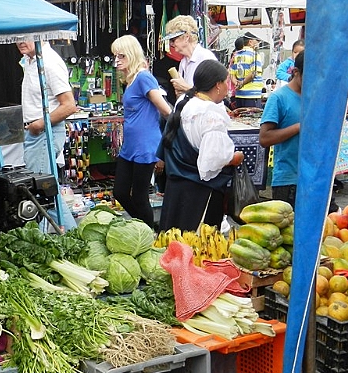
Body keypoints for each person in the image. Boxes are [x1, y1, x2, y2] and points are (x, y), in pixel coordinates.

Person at [158, 60, 244, 232]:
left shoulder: (185, 101)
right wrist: (235, 158)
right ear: (218, 85)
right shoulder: (211, 112)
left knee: (175, 240)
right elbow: (211, 162)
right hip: (200, 194)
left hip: (176, 189)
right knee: (198, 246)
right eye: (226, 82)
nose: (228, 87)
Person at [259, 51, 338, 212]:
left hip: (317, 177)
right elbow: (264, 138)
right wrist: (298, 127)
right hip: (288, 181)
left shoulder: (317, 99)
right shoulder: (279, 98)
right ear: (296, 72)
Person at [16, 39, 78, 231]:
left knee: (43, 193)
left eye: (24, 36)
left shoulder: (49, 62)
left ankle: (72, 239)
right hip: (37, 133)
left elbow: (69, 105)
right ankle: (74, 240)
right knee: (46, 192)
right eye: (16, 38)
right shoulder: (31, 60)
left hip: (43, 133)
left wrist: (39, 125)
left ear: (41, 36)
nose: (19, 42)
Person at [111, 35, 171, 228]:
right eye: (115, 56)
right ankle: (144, 227)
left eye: (121, 55)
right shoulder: (131, 79)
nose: (116, 60)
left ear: (131, 54)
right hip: (130, 146)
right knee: (120, 192)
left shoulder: (143, 77)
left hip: (145, 145)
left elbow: (165, 110)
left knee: (139, 196)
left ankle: (146, 232)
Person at [163, 15, 216, 97]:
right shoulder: (183, 62)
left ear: (186, 37)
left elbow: (213, 96)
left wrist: (186, 88)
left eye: (173, 40)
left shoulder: (206, 58)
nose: (171, 44)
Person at [230, 32, 264, 107]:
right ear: (250, 42)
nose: (258, 43)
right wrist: (242, 83)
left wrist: (237, 84)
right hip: (252, 95)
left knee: (239, 117)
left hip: (239, 95)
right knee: (253, 118)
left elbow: (232, 74)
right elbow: (253, 73)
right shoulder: (254, 55)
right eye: (256, 41)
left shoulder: (237, 55)